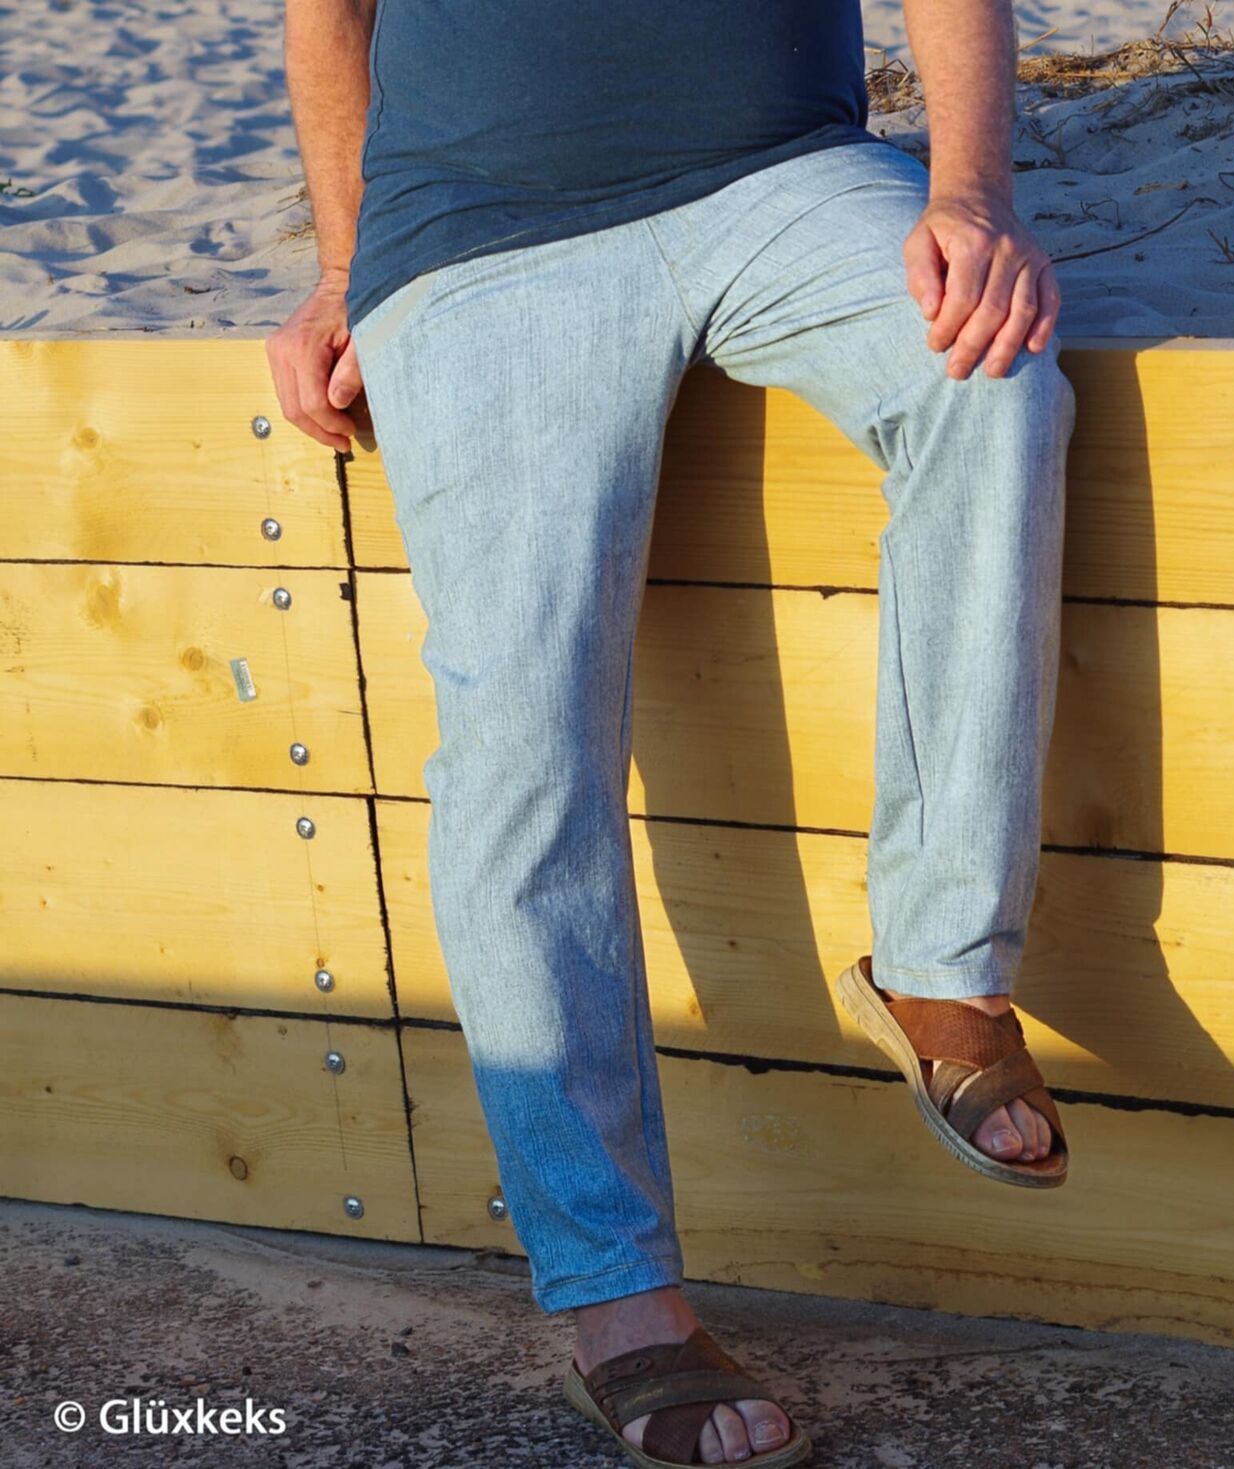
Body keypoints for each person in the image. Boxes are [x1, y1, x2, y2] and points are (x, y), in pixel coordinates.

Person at [268, 1, 1076, 1462]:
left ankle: (941, 963)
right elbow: (330, 17)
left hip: (784, 174)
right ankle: (617, 1297)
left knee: (993, 386)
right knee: (519, 732)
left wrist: (972, 189)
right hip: (475, 235)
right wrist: (341, 265)